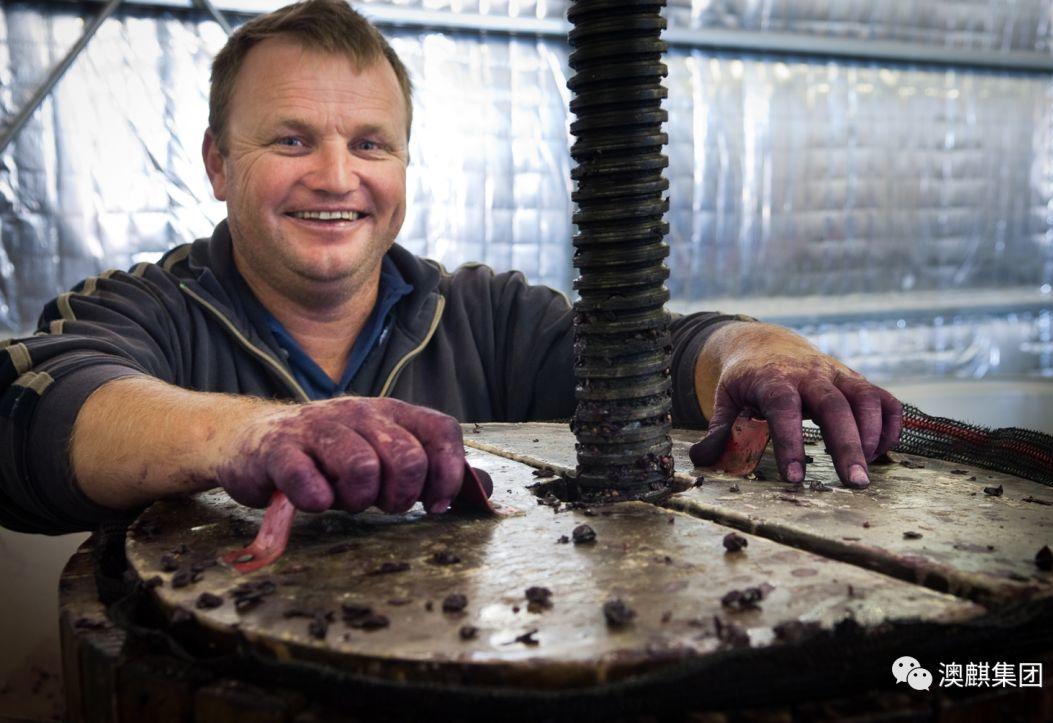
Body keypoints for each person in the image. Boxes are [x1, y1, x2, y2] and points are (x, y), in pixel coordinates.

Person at [0, 0, 901, 536]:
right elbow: (31, 406)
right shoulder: (145, 311)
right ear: (218, 163)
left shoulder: (485, 314)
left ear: (402, 164)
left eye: (369, 143)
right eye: (290, 140)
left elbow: (655, 353)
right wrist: (252, 437)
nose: (336, 177)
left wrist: (757, 352)